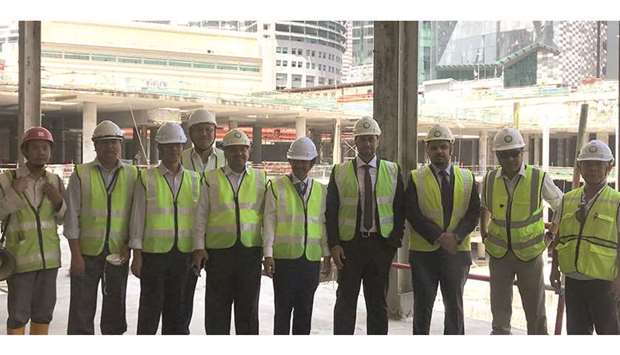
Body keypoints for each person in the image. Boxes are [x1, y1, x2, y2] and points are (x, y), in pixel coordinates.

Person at [326, 116, 405, 335]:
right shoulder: (339, 171)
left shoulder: (392, 170)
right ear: (355, 142)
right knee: (345, 303)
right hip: (349, 248)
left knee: (378, 305)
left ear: (378, 141)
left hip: (380, 247)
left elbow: (400, 210)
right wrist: (334, 244)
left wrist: (393, 243)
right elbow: (331, 211)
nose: (367, 144)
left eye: (371, 139)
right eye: (362, 140)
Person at [480, 127, 563, 335]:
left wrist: (552, 233)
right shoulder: (490, 179)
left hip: (530, 256)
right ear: (497, 156)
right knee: (499, 314)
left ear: (522, 152)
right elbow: (485, 207)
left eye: (514, 153)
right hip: (499, 256)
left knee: (535, 313)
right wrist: (483, 232)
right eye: (504, 155)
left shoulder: (538, 178)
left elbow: (563, 206)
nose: (510, 159)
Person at [405, 124, 480, 335]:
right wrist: (439, 236)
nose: (440, 151)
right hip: (424, 255)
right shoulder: (415, 177)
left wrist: (455, 236)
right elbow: (412, 213)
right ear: (427, 150)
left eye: (443, 147)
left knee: (454, 308)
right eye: (435, 147)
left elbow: (473, 212)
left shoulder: (467, 178)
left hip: (457, 252)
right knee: (422, 308)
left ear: (451, 149)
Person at [65, 120, 137, 335]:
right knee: (81, 310)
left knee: (115, 310)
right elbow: (71, 217)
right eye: (104, 143)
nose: (110, 147)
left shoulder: (133, 174)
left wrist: (129, 246)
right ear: (95, 146)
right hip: (86, 254)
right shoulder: (81, 173)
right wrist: (75, 255)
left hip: (118, 253)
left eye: (114, 142)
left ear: (120, 145)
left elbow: (136, 215)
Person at [192, 128, 267, 335]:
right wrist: (199, 247)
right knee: (217, 311)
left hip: (250, 253)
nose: (238, 154)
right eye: (233, 150)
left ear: (249, 151)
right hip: (219, 254)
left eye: (242, 149)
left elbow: (268, 218)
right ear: (225, 153)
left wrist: (268, 252)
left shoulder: (261, 179)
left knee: (248, 311)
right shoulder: (210, 178)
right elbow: (200, 215)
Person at [129, 122, 200, 334]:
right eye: (168, 146)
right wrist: (137, 255)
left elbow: (199, 220)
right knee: (150, 311)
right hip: (154, 256)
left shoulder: (195, 179)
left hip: (184, 255)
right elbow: (137, 218)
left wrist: (198, 249)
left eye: (177, 145)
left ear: (182, 147)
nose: (173, 150)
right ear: (159, 148)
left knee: (178, 312)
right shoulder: (147, 178)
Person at [263, 136, 331, 335]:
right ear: (290, 162)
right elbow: (268, 222)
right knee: (282, 313)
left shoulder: (320, 190)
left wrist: (326, 255)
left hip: (310, 260)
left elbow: (323, 224)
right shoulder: (275, 187)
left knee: (305, 313)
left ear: (312, 163)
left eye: (305, 161)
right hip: (284, 261)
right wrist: (268, 254)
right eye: (297, 161)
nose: (301, 165)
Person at [550, 140, 620, 334]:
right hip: (573, 280)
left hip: (604, 283)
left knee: (610, 334)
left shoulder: (617, 201)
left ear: (609, 167)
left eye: (599, 164)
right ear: (580, 167)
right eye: (588, 164)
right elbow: (560, 237)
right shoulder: (568, 199)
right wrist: (554, 268)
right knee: (577, 333)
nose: (593, 169)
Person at [0, 127, 65, 335]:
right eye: (35, 147)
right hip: (20, 261)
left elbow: (65, 218)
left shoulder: (54, 181)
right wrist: (13, 193)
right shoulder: (7, 180)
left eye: (45, 148)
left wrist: (58, 201)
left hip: (50, 261)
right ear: (25, 152)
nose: (41, 152)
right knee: (18, 314)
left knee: (43, 313)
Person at [179, 108, 225, 333]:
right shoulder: (180, 157)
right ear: (190, 133)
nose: (205, 134)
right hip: (186, 237)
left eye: (209, 129)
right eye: (199, 130)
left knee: (218, 300)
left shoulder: (227, 158)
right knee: (182, 298)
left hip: (218, 238)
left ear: (215, 132)